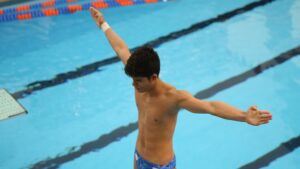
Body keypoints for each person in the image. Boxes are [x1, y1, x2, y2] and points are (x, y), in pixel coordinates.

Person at [89, 7, 272, 169]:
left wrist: (244, 116)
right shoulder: (138, 72)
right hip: (139, 156)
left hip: (160, 166)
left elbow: (211, 107)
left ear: (153, 77)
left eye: (138, 81)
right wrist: (103, 24)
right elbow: (121, 48)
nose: (133, 85)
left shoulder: (173, 98)